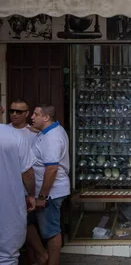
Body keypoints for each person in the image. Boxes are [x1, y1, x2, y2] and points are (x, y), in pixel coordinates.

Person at [29, 104, 70, 265]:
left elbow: (51, 169)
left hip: (50, 193)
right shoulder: (47, 132)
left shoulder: (52, 137)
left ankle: (50, 260)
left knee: (51, 231)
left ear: (46, 118)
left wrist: (42, 196)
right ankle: (42, 255)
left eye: (36, 114)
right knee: (26, 222)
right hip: (39, 192)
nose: (32, 117)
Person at [0, 123, 36, 265]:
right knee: (7, 256)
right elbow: (27, 172)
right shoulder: (14, 135)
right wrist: (31, 195)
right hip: (9, 207)